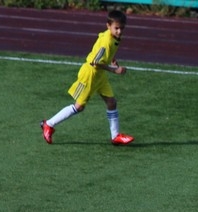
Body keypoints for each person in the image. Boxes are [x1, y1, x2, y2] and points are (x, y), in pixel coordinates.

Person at [40, 10, 134, 145]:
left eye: (122, 28)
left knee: (111, 102)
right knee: (79, 107)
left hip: (99, 76)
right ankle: (48, 124)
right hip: (90, 75)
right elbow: (95, 62)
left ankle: (115, 136)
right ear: (108, 26)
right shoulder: (106, 41)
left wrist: (112, 59)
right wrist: (115, 70)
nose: (119, 31)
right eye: (117, 28)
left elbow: (106, 52)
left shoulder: (114, 37)